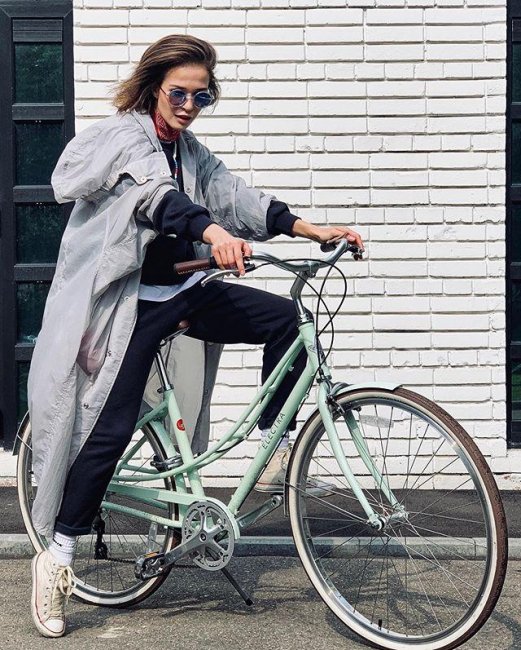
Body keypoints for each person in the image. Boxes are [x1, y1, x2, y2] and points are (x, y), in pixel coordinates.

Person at [28, 34, 364, 638]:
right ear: (154, 88)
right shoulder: (126, 139)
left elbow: (236, 196)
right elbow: (160, 201)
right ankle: (58, 556)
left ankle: (275, 446)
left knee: (286, 320)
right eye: (179, 93)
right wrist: (214, 235)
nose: (189, 105)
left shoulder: (190, 150)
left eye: (201, 96)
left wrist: (311, 229)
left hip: (185, 289)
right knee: (109, 427)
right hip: (131, 304)